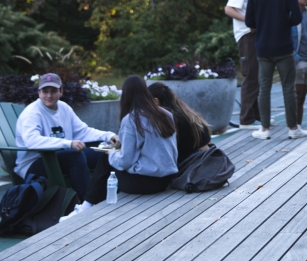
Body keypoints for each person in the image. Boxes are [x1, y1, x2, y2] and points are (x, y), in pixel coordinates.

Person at [14, 73, 119, 212]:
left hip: (59, 157)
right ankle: (87, 205)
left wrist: (108, 135)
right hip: (35, 164)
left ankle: (107, 196)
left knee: (103, 153)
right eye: (45, 91)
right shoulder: (32, 113)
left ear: (61, 91)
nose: (49, 95)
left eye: (53, 91)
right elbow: (31, 141)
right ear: (38, 92)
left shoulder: (64, 108)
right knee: (75, 155)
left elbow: (83, 131)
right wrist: (68, 143)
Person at [86, 76, 178, 205]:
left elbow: (125, 161)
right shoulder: (166, 114)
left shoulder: (131, 119)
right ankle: (93, 202)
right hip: (165, 181)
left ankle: (87, 204)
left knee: (105, 160)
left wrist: (111, 153)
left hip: (144, 183)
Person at [244, 0, 307, 140]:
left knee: (264, 87)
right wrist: (282, 21)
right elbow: (296, 18)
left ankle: (264, 129)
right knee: (288, 87)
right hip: (284, 47)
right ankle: (293, 128)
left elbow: (249, 21)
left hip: (263, 47)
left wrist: (263, 24)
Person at [225, 0, 268, 128]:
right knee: (250, 75)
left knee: (257, 75)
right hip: (246, 35)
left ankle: (256, 115)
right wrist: (249, 21)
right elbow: (229, 9)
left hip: (255, 35)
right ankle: (246, 119)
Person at [147, 82, 212, 169]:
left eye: (146, 102)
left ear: (155, 101)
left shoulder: (168, 118)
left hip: (196, 167)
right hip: (210, 159)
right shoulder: (187, 112)